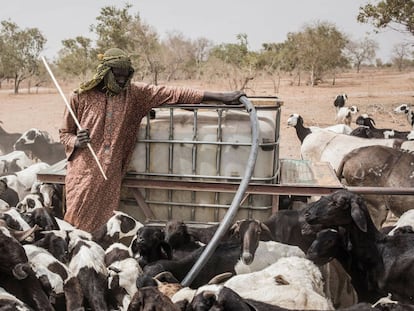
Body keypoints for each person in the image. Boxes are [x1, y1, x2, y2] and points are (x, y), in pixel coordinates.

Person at [59, 47, 245, 232]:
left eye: (126, 76)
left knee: (104, 228)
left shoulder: (134, 95)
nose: (122, 80)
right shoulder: (80, 96)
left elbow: (173, 93)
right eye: (117, 76)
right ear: (105, 72)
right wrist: (76, 141)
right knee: (75, 224)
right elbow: (64, 133)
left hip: (111, 175)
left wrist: (221, 97)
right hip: (83, 174)